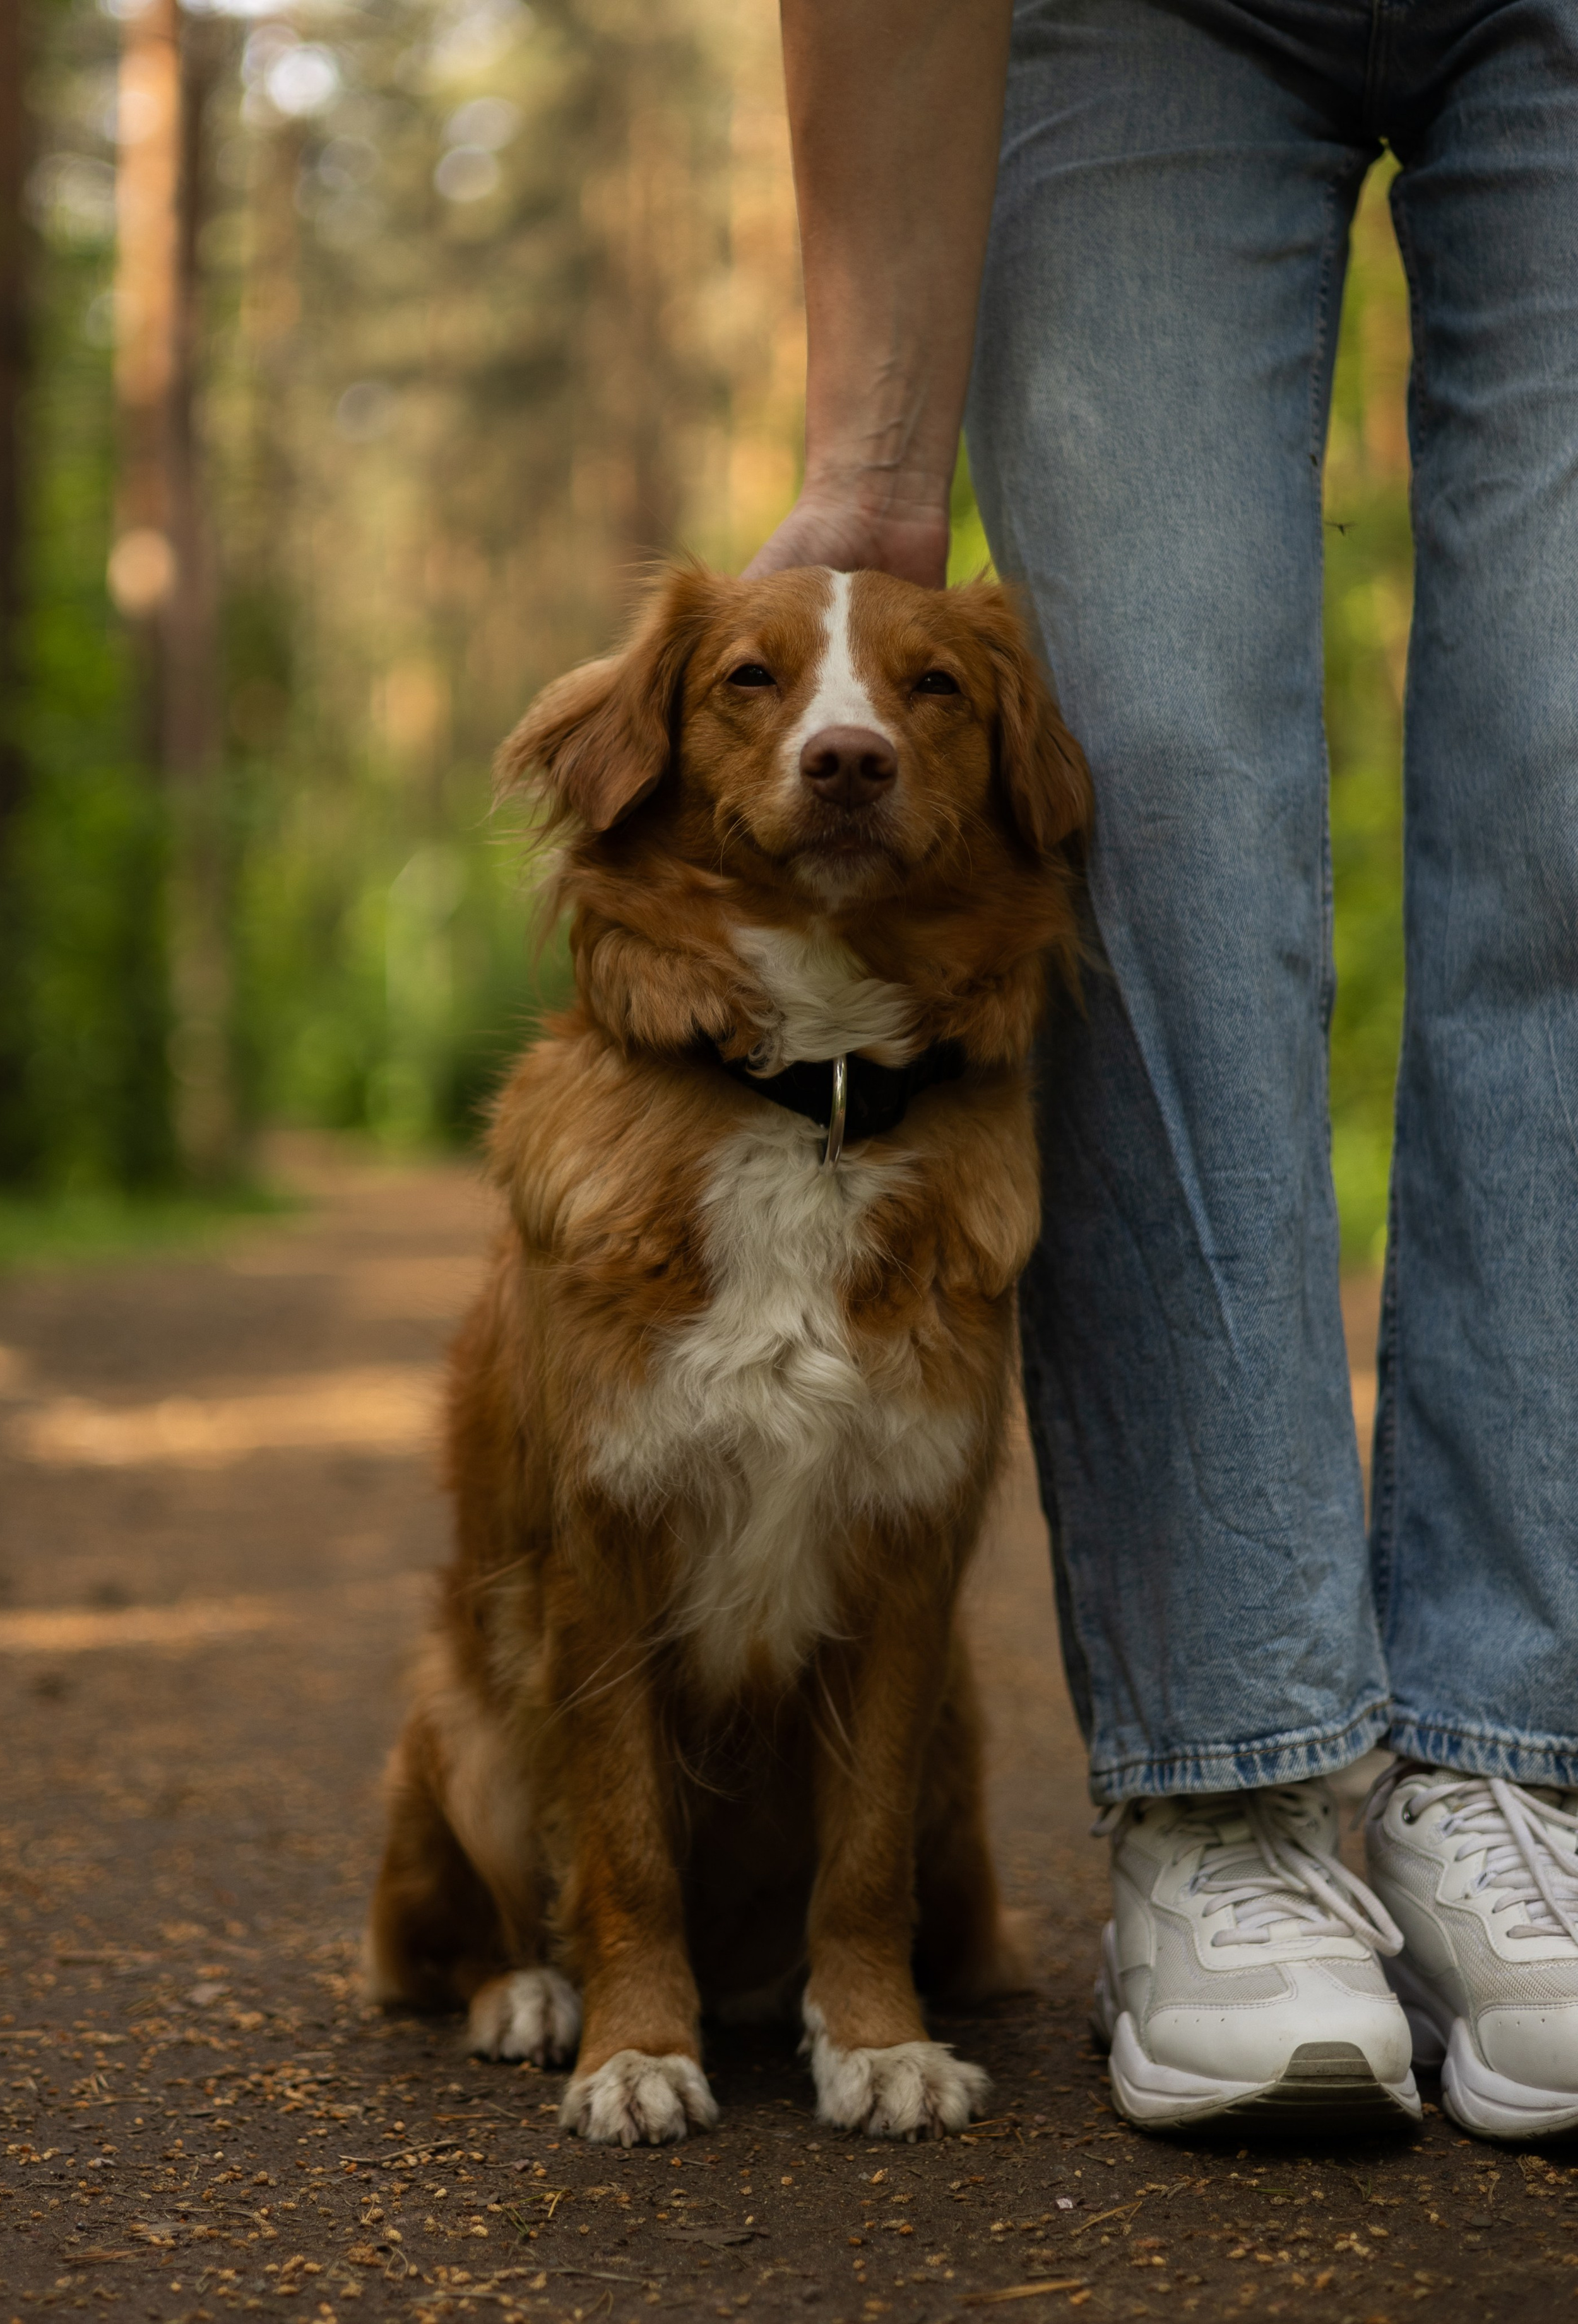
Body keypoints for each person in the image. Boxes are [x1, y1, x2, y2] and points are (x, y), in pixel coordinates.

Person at [747, 0, 1578, 2138]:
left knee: (1570, 783)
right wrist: (873, 460)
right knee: (1152, 793)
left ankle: (1523, 1761)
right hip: (1139, 24)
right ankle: (1229, 1786)